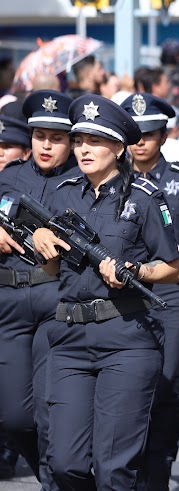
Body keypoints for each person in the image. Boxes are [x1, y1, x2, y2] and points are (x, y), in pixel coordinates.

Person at [32, 94, 179, 490]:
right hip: (68, 340)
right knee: (64, 463)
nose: (83, 149)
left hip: (126, 339)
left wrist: (137, 270)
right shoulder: (62, 194)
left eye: (95, 142)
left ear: (118, 148)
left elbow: (173, 267)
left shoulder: (146, 198)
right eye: (79, 140)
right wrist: (41, 239)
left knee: (115, 469)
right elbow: (50, 268)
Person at [119, 92, 179, 490]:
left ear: (165, 135)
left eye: (149, 134)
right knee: (128, 385)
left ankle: (158, 469)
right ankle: (126, 466)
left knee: (167, 384)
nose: (140, 142)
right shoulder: (112, 177)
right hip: (123, 292)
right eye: (134, 133)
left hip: (173, 293)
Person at [0, 91, 77, 489]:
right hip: (9, 301)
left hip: (54, 299)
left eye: (57, 137)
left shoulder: (81, 183)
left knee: (49, 411)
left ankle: (55, 481)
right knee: (12, 414)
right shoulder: (8, 178)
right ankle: (48, 470)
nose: (46, 145)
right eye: (39, 135)